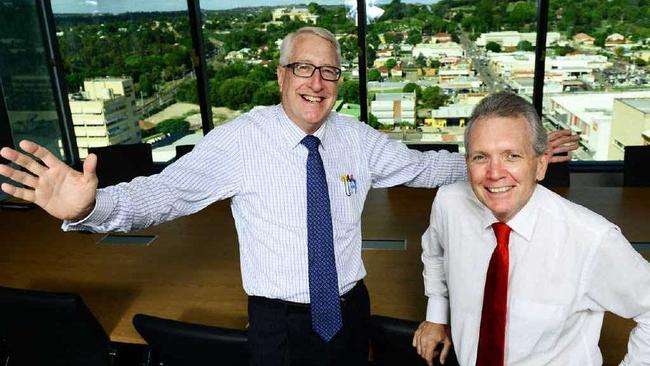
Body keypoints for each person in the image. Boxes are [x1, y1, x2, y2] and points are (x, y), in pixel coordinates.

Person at [0, 28, 577, 366]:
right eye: (303, 68)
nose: (316, 83)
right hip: (277, 324)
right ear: (280, 75)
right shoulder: (239, 141)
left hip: (350, 312)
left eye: (328, 72)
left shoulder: (356, 138)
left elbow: (425, 166)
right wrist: (90, 209)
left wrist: (503, 160)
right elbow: (162, 196)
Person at [412, 92, 650, 366]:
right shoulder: (449, 203)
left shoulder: (592, 239)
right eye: (481, 157)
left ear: (540, 165)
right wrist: (436, 315)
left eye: (511, 156)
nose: (494, 173)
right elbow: (434, 253)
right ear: (467, 164)